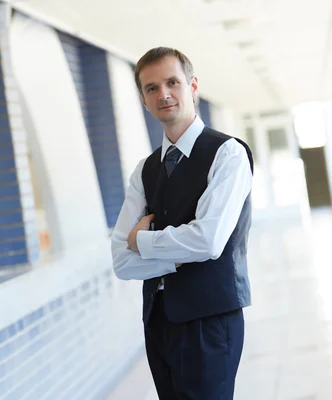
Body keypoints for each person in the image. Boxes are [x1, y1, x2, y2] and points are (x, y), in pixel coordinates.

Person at [110, 46, 254, 399]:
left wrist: (143, 242)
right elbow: (121, 261)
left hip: (210, 320)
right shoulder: (144, 171)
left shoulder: (228, 154)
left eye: (172, 82)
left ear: (192, 86)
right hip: (158, 322)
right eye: (151, 88)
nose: (164, 94)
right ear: (144, 100)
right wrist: (178, 252)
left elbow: (208, 241)